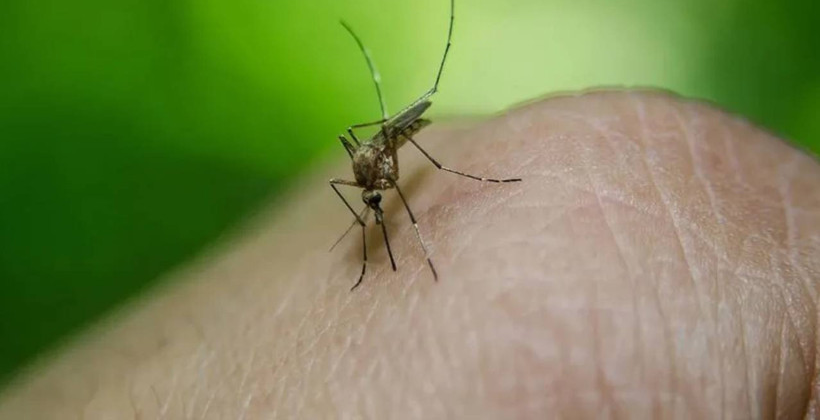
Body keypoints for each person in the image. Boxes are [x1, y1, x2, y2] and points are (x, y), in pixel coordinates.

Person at [1, 90, 818, 418]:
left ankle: (456, 181)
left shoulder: (388, 161)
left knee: (414, 166)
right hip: (377, 156)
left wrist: (399, 195)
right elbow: (355, 179)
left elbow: (381, 159)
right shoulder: (360, 184)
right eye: (368, 191)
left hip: (400, 139)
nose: (370, 192)